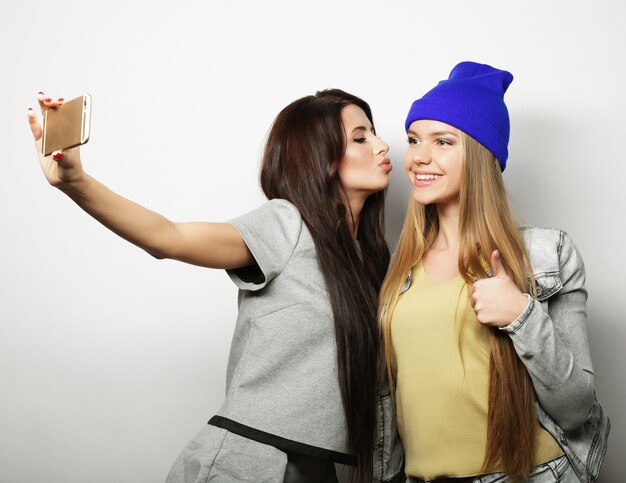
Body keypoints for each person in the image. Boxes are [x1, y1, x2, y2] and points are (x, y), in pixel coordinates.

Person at [27, 88, 392, 482]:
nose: (381, 144)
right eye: (360, 137)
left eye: (373, 133)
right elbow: (168, 237)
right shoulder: (287, 223)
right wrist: (75, 181)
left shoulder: (368, 259)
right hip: (250, 464)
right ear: (320, 158)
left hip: (320, 468)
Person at [377, 62, 610, 482]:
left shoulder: (545, 254)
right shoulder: (399, 270)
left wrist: (521, 315)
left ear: (481, 155)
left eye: (443, 141)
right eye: (413, 139)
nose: (419, 156)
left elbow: (577, 409)